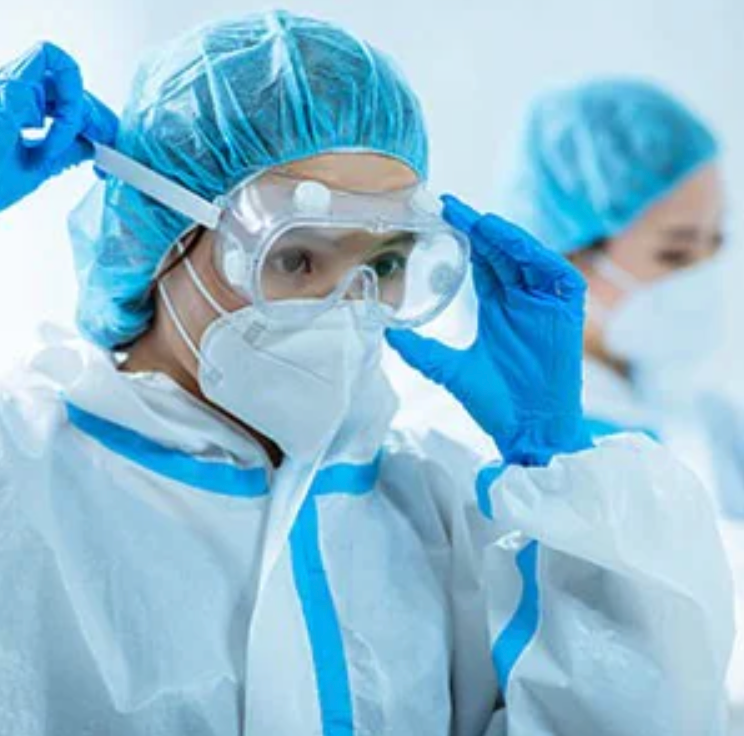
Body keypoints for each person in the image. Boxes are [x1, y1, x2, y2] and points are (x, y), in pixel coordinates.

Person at [0, 15, 734, 736]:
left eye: (383, 264)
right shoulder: (25, 479)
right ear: (161, 242)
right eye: (295, 257)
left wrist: (561, 470)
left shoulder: (433, 507)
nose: (347, 307)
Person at [500, 77, 744, 732]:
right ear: (569, 252)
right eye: (674, 250)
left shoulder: (706, 419)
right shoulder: (507, 434)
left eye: (716, 243)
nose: (702, 272)